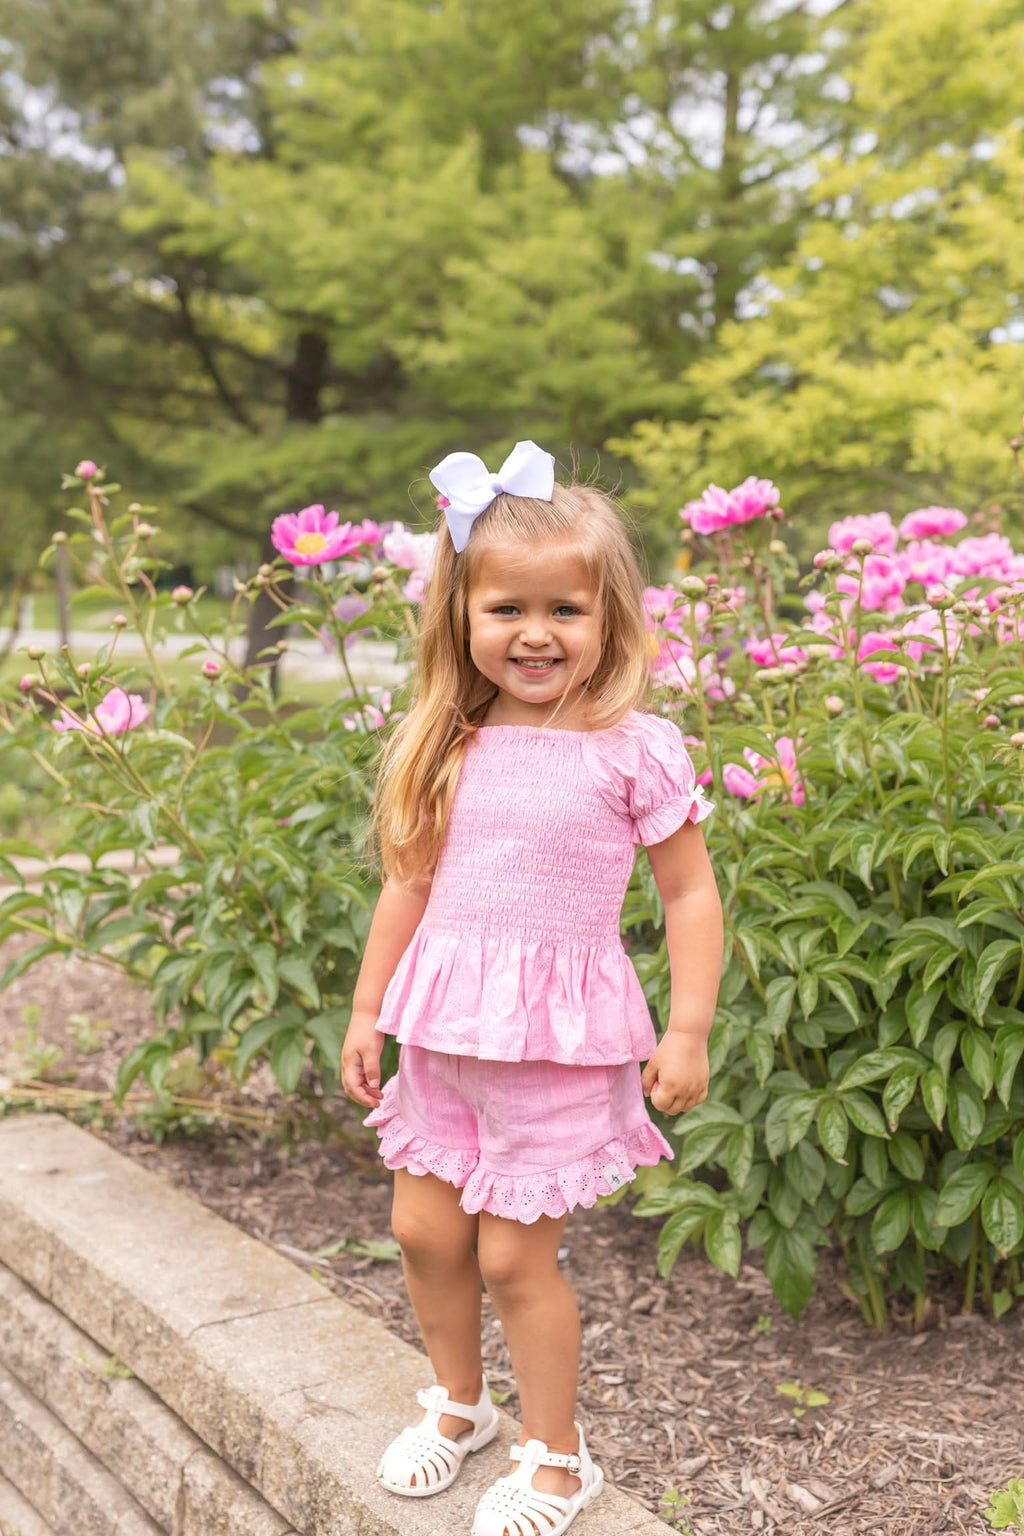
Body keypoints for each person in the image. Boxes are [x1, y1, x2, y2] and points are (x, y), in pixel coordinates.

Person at [342, 441, 723, 1536]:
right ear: (461, 615)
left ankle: (558, 1456)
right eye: (506, 607)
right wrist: (369, 1008)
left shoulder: (633, 748)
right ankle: (459, 1403)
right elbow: (407, 885)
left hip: (556, 1046)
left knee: (515, 1256)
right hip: (446, 1037)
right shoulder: (449, 742)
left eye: (566, 609)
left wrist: (686, 1028)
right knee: (423, 1233)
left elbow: (691, 897)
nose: (536, 632)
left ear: (611, 620)